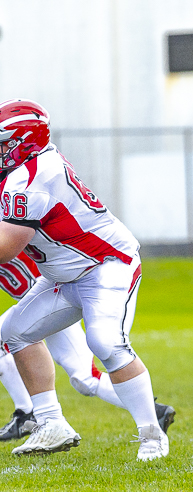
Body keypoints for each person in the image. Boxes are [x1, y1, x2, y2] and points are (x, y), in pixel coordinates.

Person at [0, 99, 168, 460]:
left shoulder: (29, 179)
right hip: (64, 275)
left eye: (2, 145)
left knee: (105, 341)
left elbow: (6, 248)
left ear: (22, 143)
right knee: (13, 331)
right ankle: (50, 423)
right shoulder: (30, 167)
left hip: (106, 264)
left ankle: (152, 433)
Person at [0, 253, 175, 441]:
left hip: (52, 298)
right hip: (40, 304)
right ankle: (27, 413)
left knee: (87, 378)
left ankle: (28, 414)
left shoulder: (12, 231)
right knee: (85, 380)